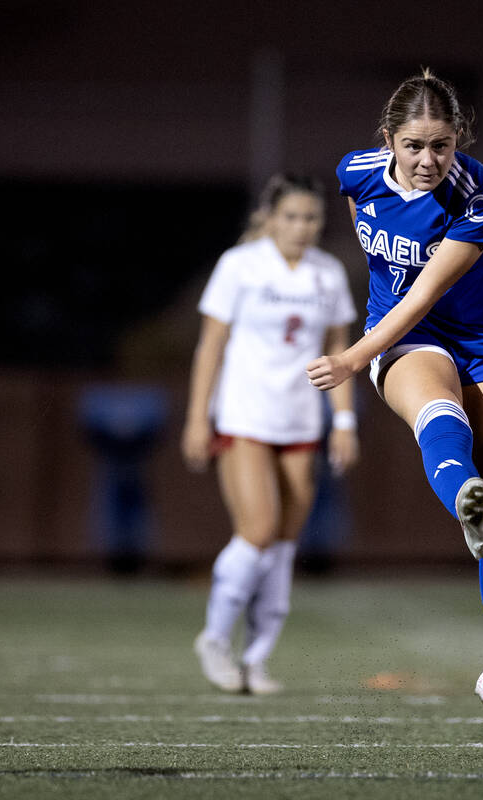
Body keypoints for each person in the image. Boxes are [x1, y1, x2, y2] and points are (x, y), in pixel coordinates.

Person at [306, 70, 483, 754]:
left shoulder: (480, 193)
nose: (428, 160)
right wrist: (371, 350)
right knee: (441, 417)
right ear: (388, 140)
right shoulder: (356, 173)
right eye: (414, 145)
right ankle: (466, 493)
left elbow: (426, 290)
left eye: (441, 145)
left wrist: (349, 358)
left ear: (459, 140)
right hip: (407, 340)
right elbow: (386, 276)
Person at [183, 173, 359, 694]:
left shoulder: (328, 274)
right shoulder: (240, 266)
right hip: (243, 416)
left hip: (300, 419)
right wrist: (197, 417)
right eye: (292, 217)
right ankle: (214, 638)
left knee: (283, 547)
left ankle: (255, 660)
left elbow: (339, 353)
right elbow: (210, 346)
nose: (302, 227)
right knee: (258, 531)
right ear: (269, 218)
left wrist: (343, 421)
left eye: (311, 218)